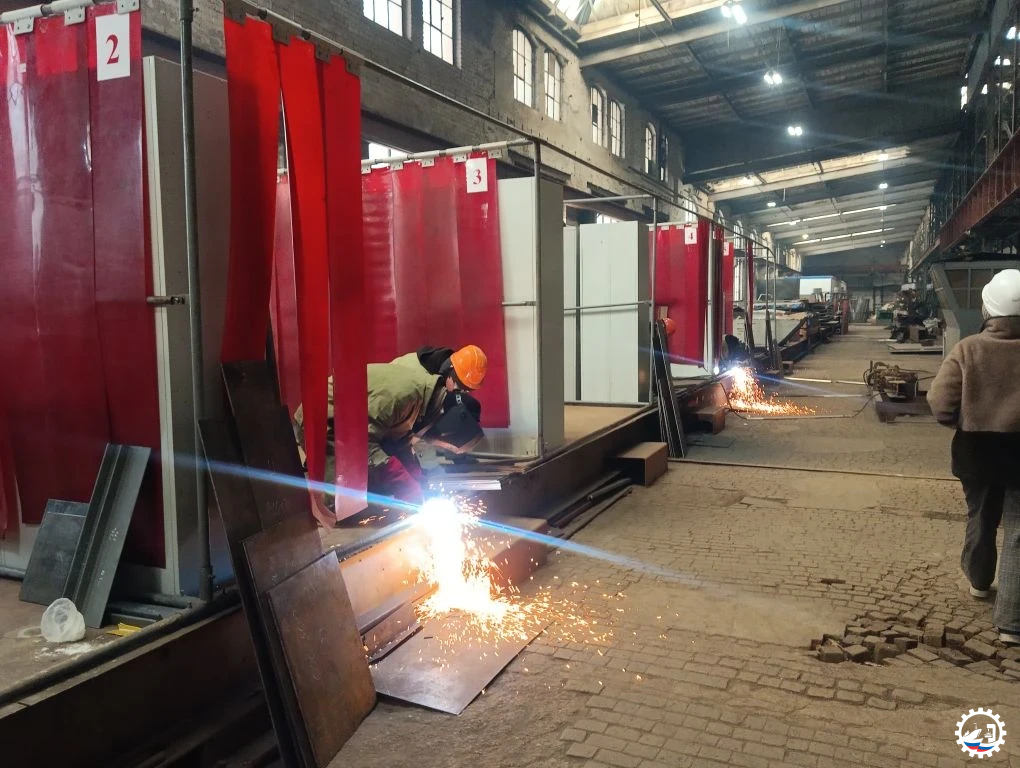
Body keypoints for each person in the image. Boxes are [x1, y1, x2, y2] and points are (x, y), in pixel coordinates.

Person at [928, 269, 1020, 644]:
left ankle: (980, 582)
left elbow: (940, 404)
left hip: (977, 454)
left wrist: (965, 422)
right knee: (1018, 533)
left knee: (981, 517)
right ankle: (1011, 623)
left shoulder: (968, 349)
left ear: (988, 310)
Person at [294, 357, 484, 508]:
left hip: (350, 427)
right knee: (342, 505)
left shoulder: (423, 400)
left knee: (383, 487)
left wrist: (417, 480)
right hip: (322, 423)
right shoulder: (404, 396)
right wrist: (400, 478)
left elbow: (398, 442)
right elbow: (360, 442)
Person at [392, 344, 488, 392]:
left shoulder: (441, 364)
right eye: (460, 388)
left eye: (467, 390)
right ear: (451, 371)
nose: (461, 394)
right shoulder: (420, 381)